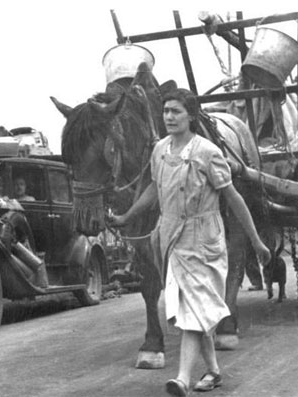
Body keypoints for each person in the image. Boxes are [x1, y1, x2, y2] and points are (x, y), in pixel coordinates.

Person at [109, 88, 270, 396]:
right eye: (166, 111)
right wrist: (127, 216)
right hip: (170, 240)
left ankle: (182, 378)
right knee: (192, 308)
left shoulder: (208, 152)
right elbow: (154, 190)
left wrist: (256, 241)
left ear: (191, 116)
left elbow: (233, 199)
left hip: (203, 241)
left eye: (176, 111)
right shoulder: (159, 150)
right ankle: (213, 371)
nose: (169, 116)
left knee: (192, 311)